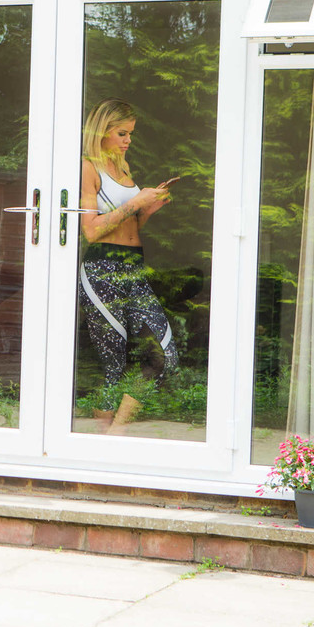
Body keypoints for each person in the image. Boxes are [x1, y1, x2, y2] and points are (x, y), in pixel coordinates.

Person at [77, 98, 179, 434]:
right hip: (102, 268)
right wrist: (136, 202)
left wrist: (147, 210)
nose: (128, 140)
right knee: (112, 362)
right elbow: (91, 230)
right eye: (122, 133)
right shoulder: (88, 167)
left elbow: (130, 226)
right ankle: (109, 437)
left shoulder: (123, 167)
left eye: (130, 134)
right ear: (102, 131)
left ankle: (116, 427)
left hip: (133, 266)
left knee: (164, 354)